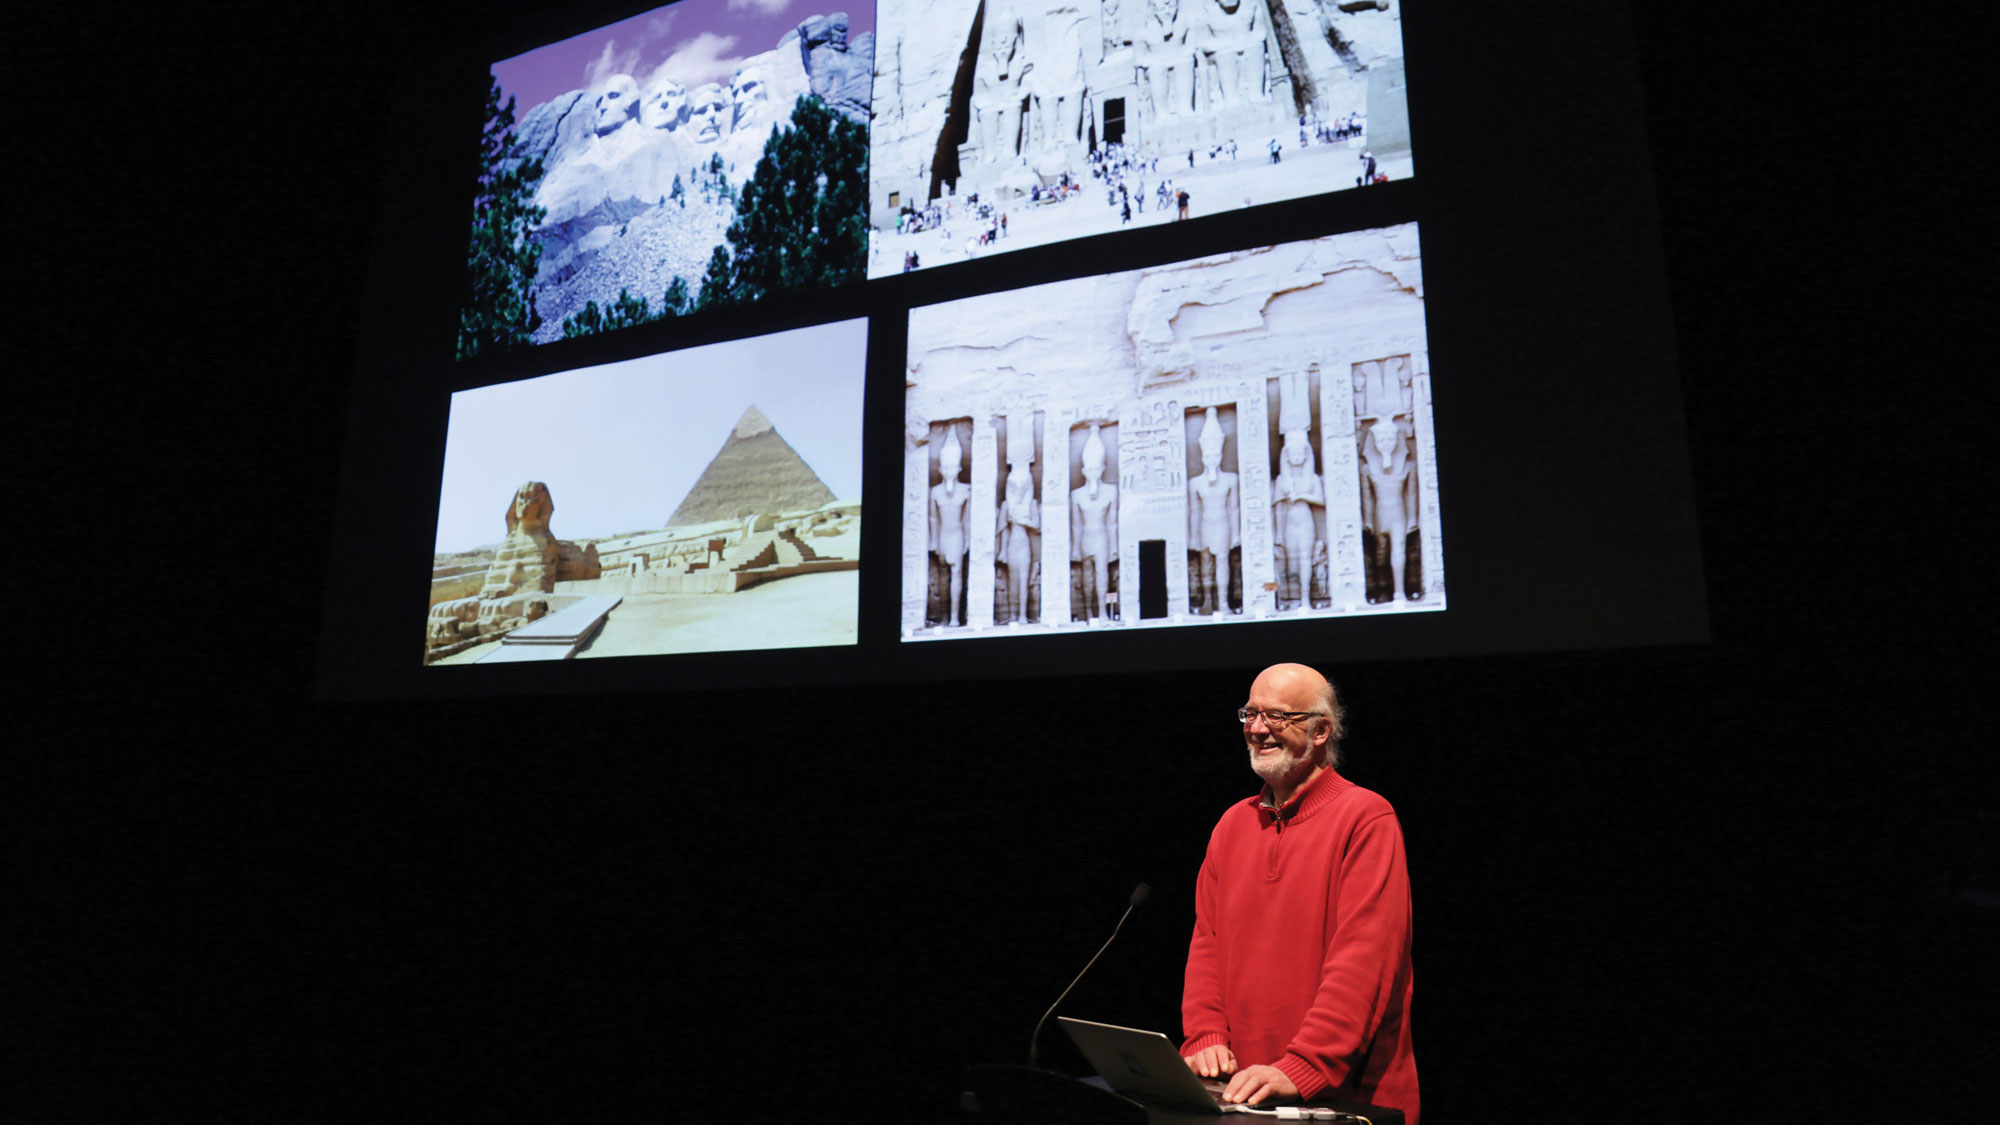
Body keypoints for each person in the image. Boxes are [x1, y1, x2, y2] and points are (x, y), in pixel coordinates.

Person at [1180, 663, 1419, 1120]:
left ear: (1320, 730)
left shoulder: (1366, 817)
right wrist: (1206, 1036)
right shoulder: (1232, 825)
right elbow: (1206, 945)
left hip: (1345, 1100)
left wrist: (1306, 1065)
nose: (1257, 729)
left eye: (1277, 716)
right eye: (1250, 714)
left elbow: (1365, 960)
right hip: (1244, 1095)